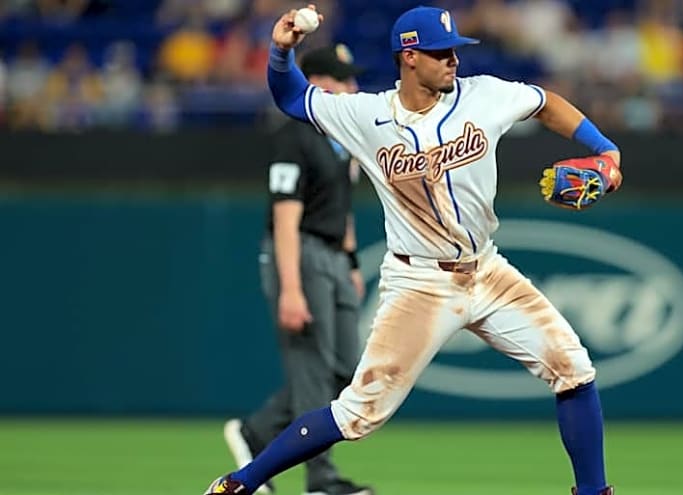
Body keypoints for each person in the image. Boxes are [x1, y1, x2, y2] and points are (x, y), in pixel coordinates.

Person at [205, 4, 622, 495]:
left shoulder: (485, 95)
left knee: (573, 369)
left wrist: (605, 150)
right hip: (420, 281)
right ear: (409, 56)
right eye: (440, 52)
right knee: (358, 413)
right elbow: (292, 97)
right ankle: (239, 484)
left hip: (485, 270)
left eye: (455, 51)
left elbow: (546, 103)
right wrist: (281, 50)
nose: (453, 60)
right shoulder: (368, 114)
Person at [221, 44, 372, 495]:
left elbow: (342, 209)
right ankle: (320, 480)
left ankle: (257, 431)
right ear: (319, 84)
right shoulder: (294, 136)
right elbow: (286, 216)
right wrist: (291, 288)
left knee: (346, 371)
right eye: (343, 79)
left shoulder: (342, 138)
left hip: (331, 255)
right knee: (311, 372)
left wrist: (349, 259)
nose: (353, 87)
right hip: (299, 252)